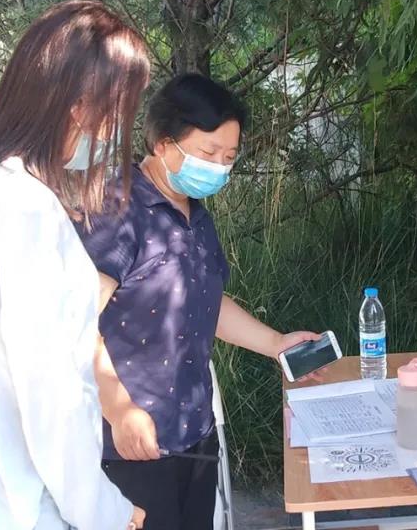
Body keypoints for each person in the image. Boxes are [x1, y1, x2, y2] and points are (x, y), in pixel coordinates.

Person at [0, 0, 151, 530]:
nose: (116, 129)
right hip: (24, 498)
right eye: (119, 108)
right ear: (80, 106)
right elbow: (51, 391)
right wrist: (105, 510)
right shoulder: (27, 207)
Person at [77, 73, 321, 530]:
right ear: (163, 143)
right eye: (208, 153)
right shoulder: (117, 212)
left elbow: (205, 301)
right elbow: (75, 322)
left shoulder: (195, 214)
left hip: (193, 428)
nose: (219, 168)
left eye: (229, 157)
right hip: (130, 442)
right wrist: (118, 408)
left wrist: (276, 344)